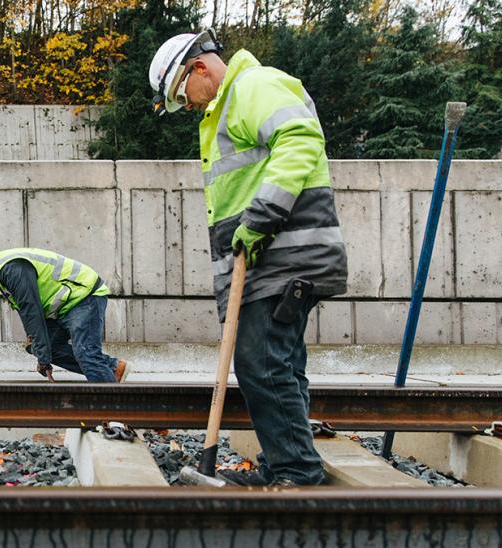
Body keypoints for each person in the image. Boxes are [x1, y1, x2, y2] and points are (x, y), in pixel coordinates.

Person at [149, 30, 348, 486]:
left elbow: (300, 139)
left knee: (260, 362)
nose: (190, 105)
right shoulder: (228, 105)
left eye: (183, 96)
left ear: (199, 68)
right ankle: (288, 464)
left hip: (286, 257)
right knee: (277, 363)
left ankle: (296, 473)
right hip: (271, 261)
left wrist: (260, 218)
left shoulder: (251, 87)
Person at [0, 248, 128, 383]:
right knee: (37, 347)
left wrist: (44, 360)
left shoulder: (11, 269)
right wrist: (42, 352)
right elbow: (28, 314)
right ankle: (112, 369)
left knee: (86, 353)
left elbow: (31, 312)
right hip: (66, 306)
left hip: (83, 296)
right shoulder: (2, 279)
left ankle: (114, 417)